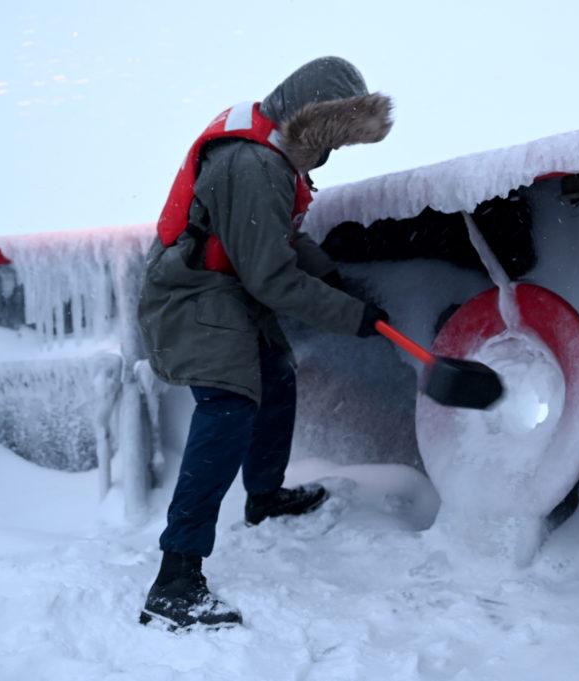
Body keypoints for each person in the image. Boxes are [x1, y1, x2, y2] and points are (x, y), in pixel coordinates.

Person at [136, 56, 393, 631]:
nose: (330, 157)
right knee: (228, 404)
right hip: (190, 291)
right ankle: (175, 578)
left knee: (275, 372)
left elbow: (269, 236)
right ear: (311, 125)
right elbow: (270, 277)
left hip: (223, 286)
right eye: (332, 142)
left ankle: (264, 496)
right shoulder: (251, 163)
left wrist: (328, 276)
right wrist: (349, 313)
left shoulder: (269, 154)